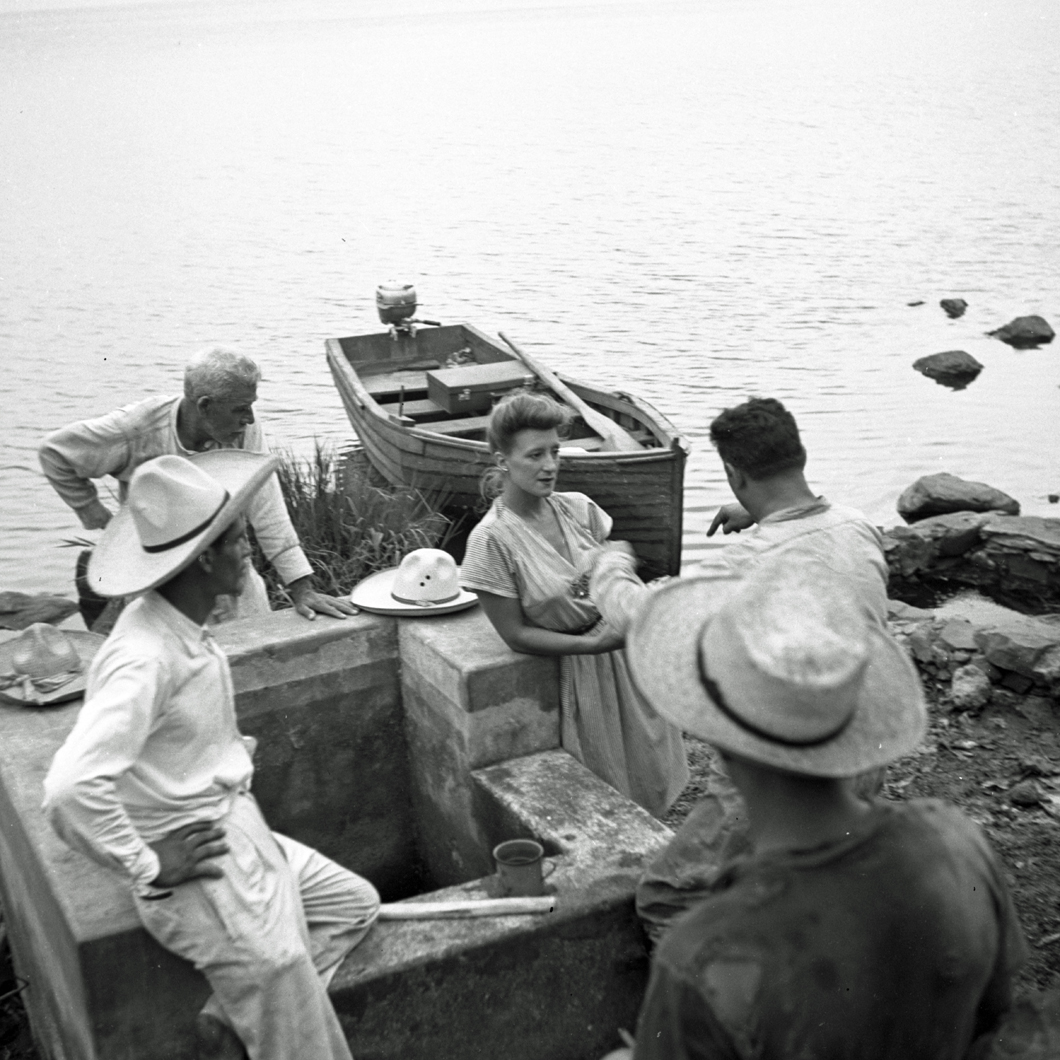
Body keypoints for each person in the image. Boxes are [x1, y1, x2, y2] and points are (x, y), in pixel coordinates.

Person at [602, 561, 1026, 1060]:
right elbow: (996, 1015)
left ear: (714, 733)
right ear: (851, 721)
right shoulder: (957, 843)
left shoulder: (705, 955)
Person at [43, 451, 380, 1060]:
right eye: (236, 540)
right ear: (203, 559)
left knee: (354, 905)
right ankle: (271, 1019)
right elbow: (69, 787)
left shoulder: (182, 622)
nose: (247, 548)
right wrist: (146, 864)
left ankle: (229, 1017)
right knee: (286, 987)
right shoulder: (144, 656)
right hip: (197, 858)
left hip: (236, 828)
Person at [589, 395, 892, 938]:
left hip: (780, 769)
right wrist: (756, 512)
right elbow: (809, 537)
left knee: (669, 897)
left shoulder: (749, 563)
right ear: (797, 454)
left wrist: (610, 565)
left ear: (733, 473)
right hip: (865, 740)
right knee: (814, 876)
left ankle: (713, 1012)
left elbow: (642, 616)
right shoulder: (858, 525)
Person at [459, 391, 688, 817]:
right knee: (600, 786)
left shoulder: (579, 510)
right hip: (576, 668)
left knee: (650, 763)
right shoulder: (491, 541)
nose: (550, 466)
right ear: (502, 460)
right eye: (534, 455)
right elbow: (516, 635)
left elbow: (605, 578)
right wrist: (594, 645)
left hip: (622, 659)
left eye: (555, 452)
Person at [39, 344, 356, 624]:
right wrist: (95, 514)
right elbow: (55, 454)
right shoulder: (136, 430)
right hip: (166, 581)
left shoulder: (242, 429)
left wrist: (302, 588)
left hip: (230, 572)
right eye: (240, 409)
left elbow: (267, 505)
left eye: (252, 405)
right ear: (204, 405)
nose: (249, 417)